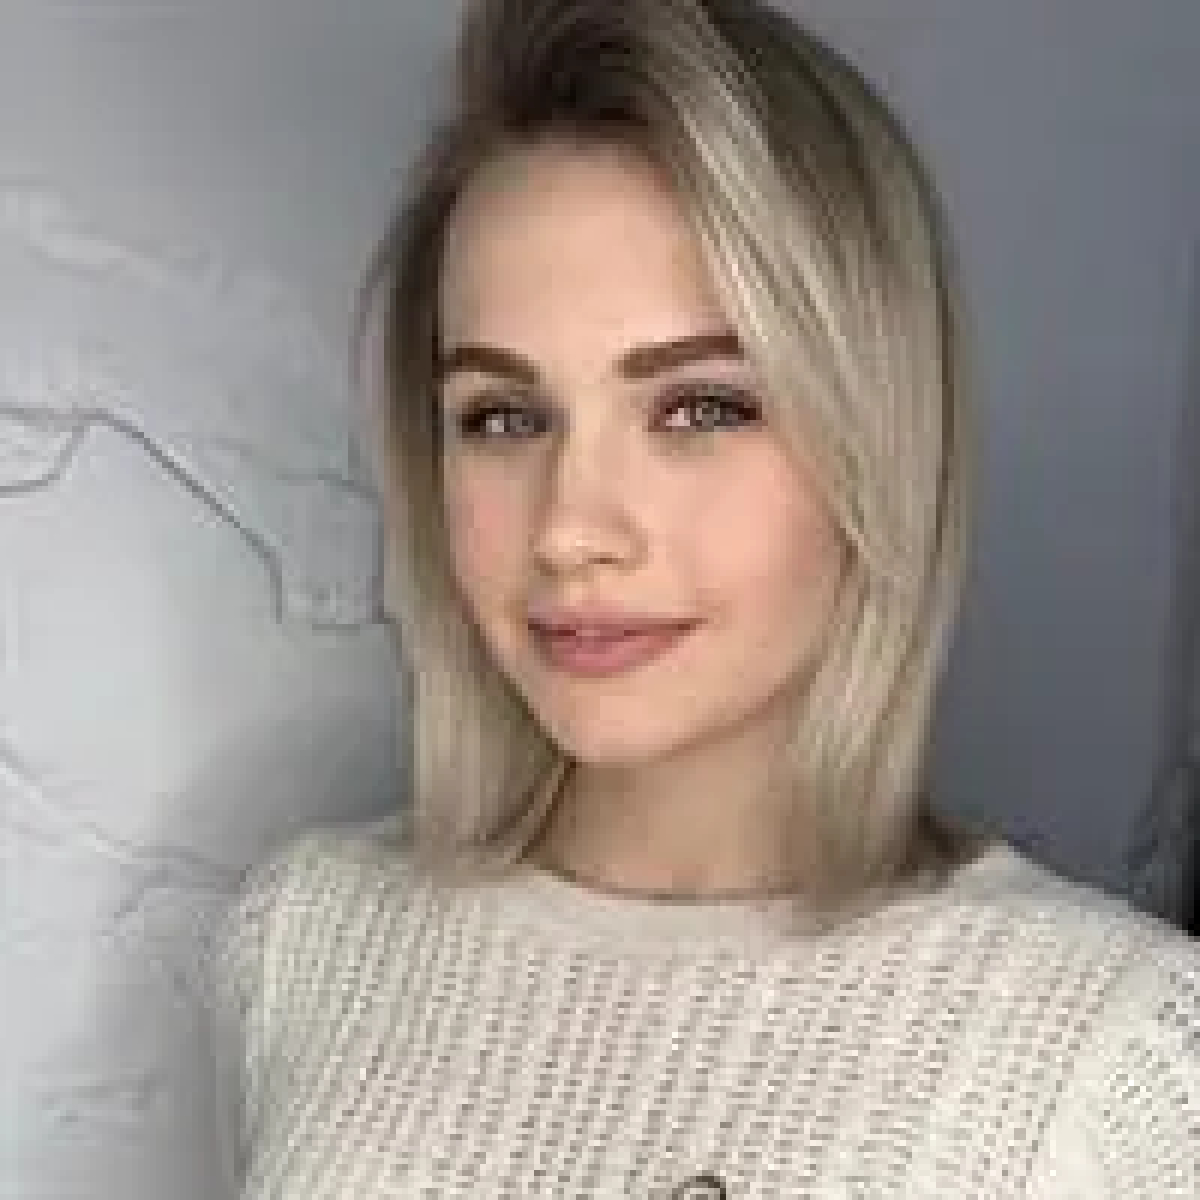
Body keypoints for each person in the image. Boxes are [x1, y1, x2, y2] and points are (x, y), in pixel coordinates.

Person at [206, 1, 1199, 1195]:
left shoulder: (1111, 1058)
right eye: (503, 418)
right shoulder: (305, 943)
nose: (571, 528)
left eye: (699, 407)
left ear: (876, 431)